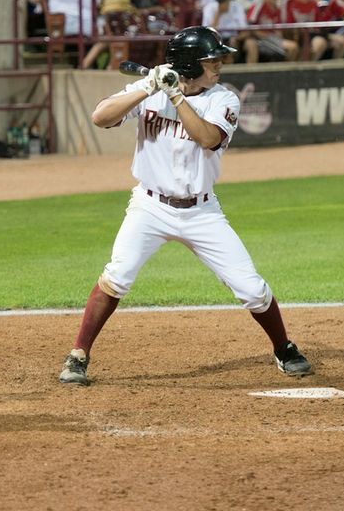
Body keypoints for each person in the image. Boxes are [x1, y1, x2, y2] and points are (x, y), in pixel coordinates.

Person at [58, 26, 312, 386]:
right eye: (212, 61)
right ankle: (78, 355)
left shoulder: (225, 99)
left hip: (201, 211)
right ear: (191, 65)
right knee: (117, 275)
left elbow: (208, 138)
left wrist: (176, 96)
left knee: (251, 289)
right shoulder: (151, 90)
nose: (219, 65)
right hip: (150, 207)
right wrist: (148, 87)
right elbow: (101, 117)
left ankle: (283, 347)